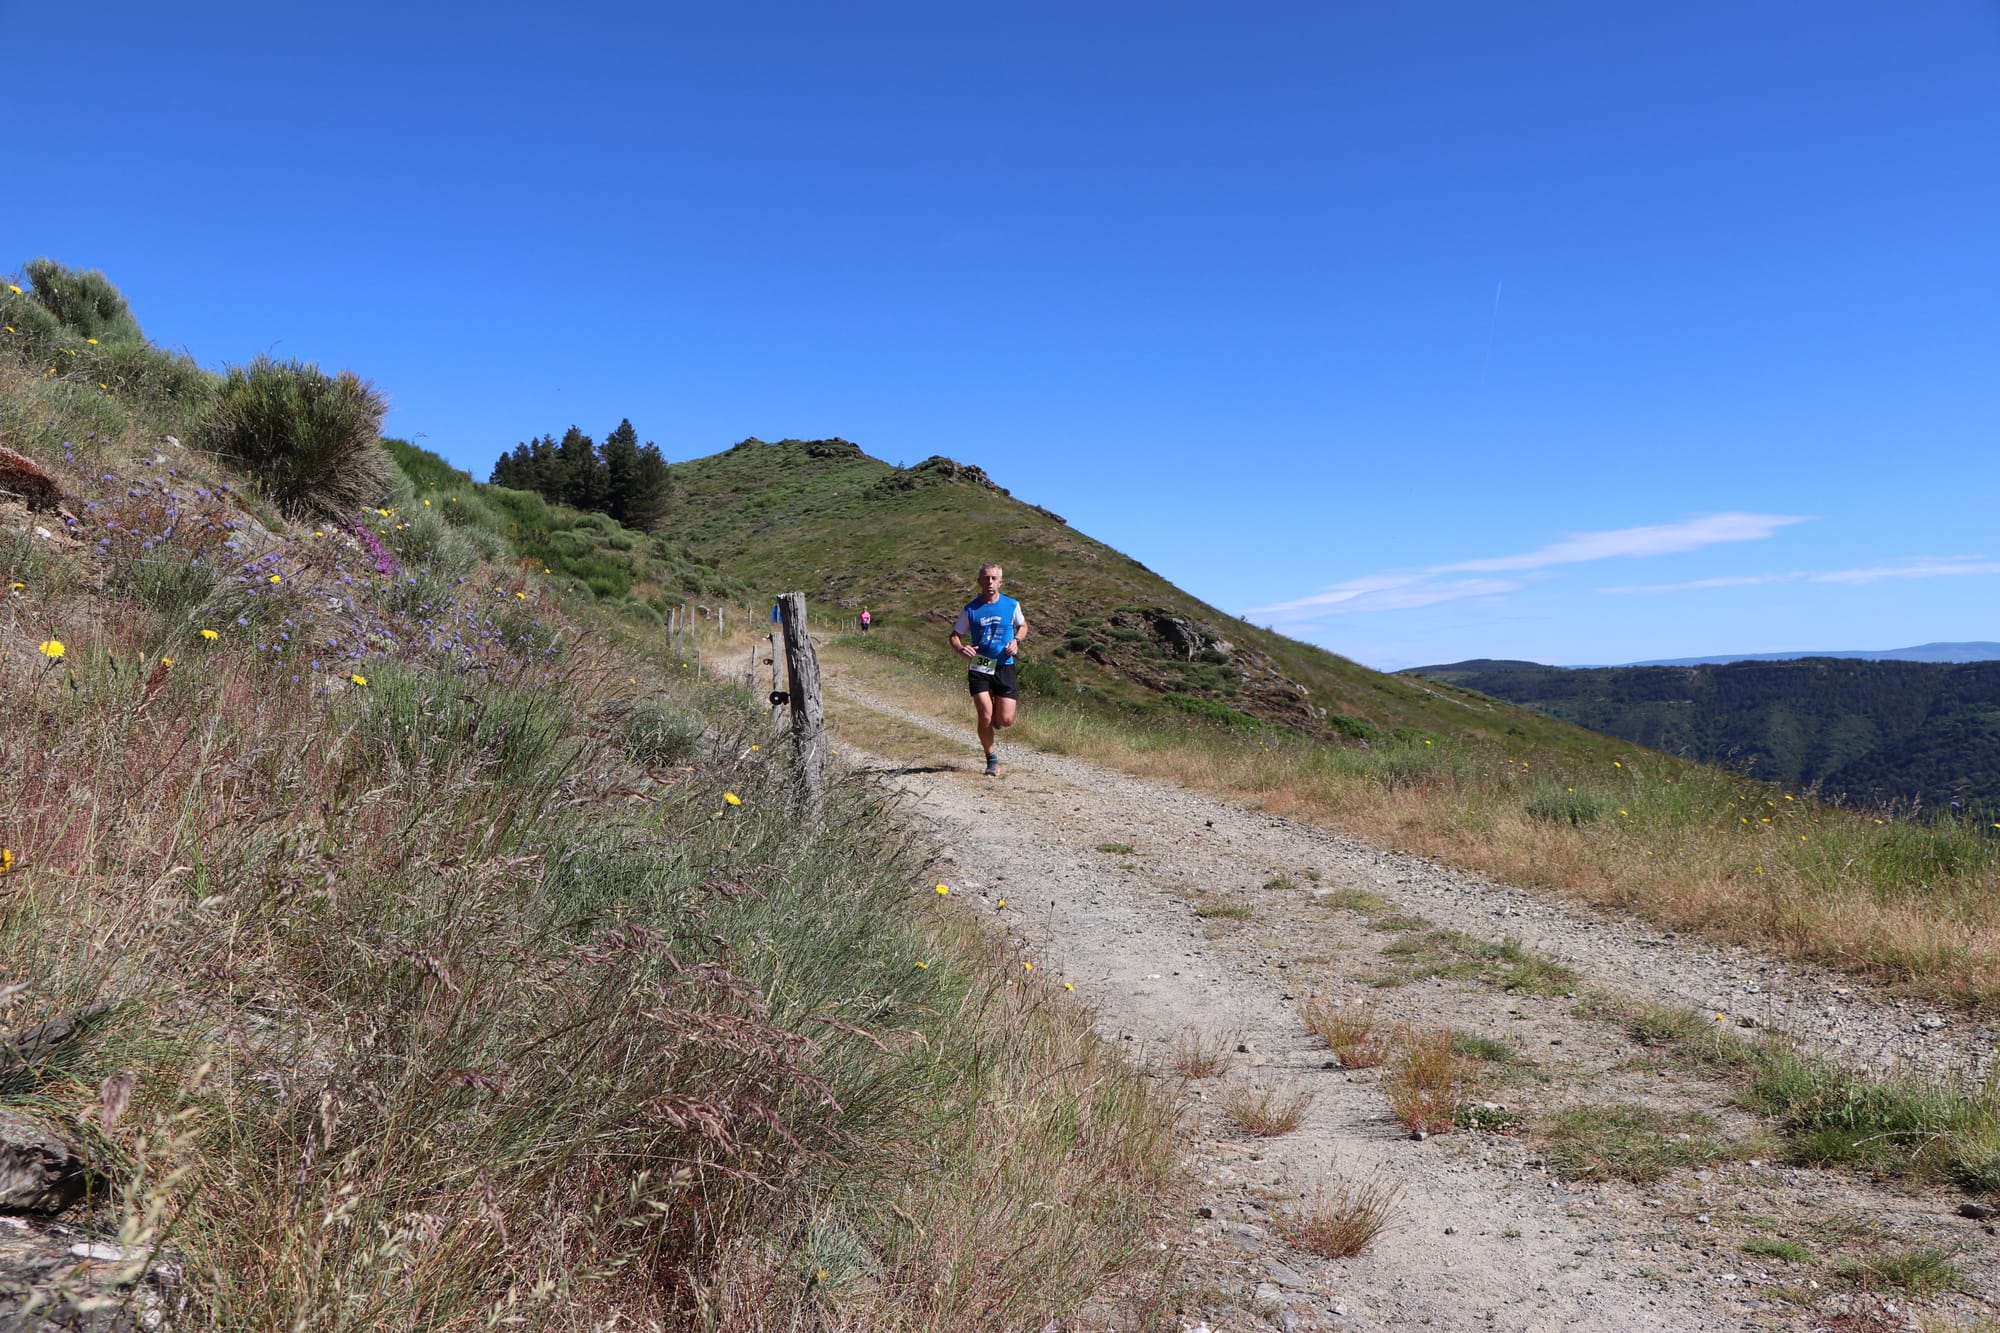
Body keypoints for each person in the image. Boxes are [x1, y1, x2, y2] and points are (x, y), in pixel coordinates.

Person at [948, 562, 1028, 776]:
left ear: (1000, 582)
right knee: (984, 716)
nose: (990, 582)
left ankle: (997, 715)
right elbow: (955, 636)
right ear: (979, 581)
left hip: (1004, 665)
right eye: (986, 578)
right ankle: (991, 760)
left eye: (994, 578)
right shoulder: (971, 609)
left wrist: (1017, 641)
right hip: (980, 665)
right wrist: (960, 649)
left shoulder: (1011, 605)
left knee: (1006, 720)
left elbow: (1023, 626)